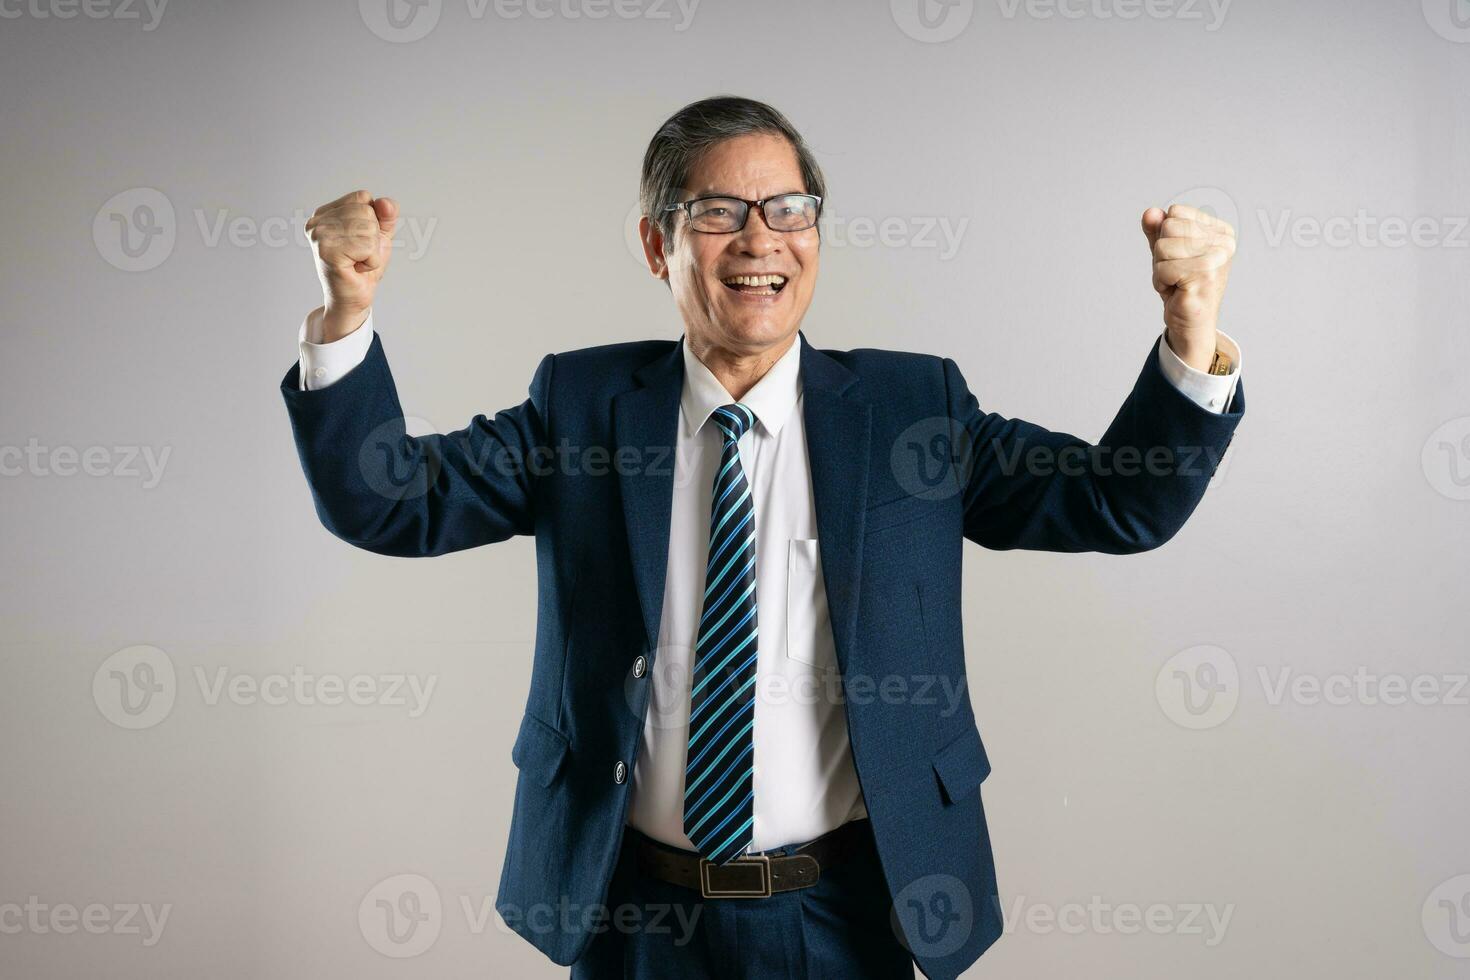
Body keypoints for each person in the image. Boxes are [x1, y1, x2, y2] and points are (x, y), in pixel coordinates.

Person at [279, 95, 1244, 979]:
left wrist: (1191, 334)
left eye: (790, 209)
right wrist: (348, 316)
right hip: (635, 919)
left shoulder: (914, 412)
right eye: (718, 213)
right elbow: (390, 503)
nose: (760, 241)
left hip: (851, 915)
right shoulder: (581, 409)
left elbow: (1121, 505)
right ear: (659, 245)